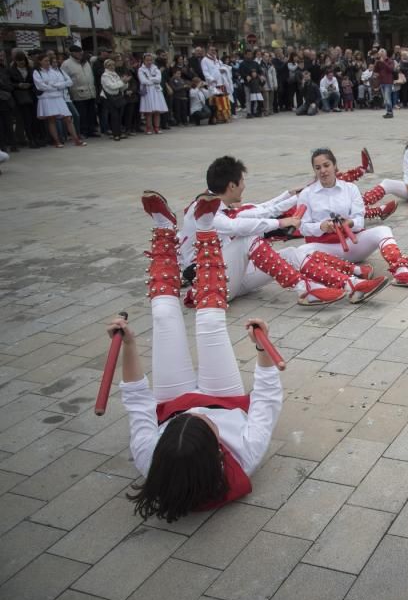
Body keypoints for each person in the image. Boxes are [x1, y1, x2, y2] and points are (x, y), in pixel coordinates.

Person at [117, 192, 285, 522]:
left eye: (185, 422)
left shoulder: (148, 458)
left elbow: (137, 401)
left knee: (165, 317)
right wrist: (262, 349)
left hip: (171, 401)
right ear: (217, 453)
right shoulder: (245, 455)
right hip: (224, 399)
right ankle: (206, 230)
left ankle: (164, 231)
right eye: (204, 425)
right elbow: (267, 398)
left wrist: (129, 346)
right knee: (209, 321)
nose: (195, 412)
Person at [177, 157, 385, 305]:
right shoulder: (203, 208)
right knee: (247, 238)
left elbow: (261, 210)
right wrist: (282, 223)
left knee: (291, 254)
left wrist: (293, 195)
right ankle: (305, 289)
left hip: (231, 278)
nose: (244, 186)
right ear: (232, 185)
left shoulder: (220, 204)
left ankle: (352, 284)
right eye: (242, 182)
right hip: (210, 288)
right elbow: (236, 227)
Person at [296, 148, 408, 287]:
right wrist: (321, 226)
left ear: (334, 165)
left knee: (383, 230)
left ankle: (401, 271)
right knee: (300, 252)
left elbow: (359, 219)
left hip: (353, 245)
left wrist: (350, 223)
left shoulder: (350, 188)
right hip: (326, 249)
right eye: (318, 167)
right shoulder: (307, 194)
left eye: (326, 165)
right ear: (314, 170)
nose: (322, 170)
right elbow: (303, 227)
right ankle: (356, 271)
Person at [33, 54, 84, 148]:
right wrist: (55, 86)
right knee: (52, 120)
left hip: (58, 97)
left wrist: (54, 85)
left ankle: (76, 139)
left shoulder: (54, 71)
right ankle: (57, 141)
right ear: (40, 61)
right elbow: (40, 86)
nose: (48, 63)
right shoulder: (37, 72)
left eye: (48, 61)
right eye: (45, 61)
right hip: (47, 98)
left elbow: (65, 82)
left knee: (68, 118)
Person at [61, 44, 98, 138]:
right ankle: (83, 131)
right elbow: (64, 79)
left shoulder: (86, 62)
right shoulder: (66, 64)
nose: (80, 54)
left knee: (91, 113)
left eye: (81, 52)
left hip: (90, 91)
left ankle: (91, 130)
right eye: (77, 52)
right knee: (82, 114)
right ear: (72, 53)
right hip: (77, 93)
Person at [139, 53, 169, 134]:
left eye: (150, 60)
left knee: (157, 111)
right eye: (147, 60)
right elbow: (143, 81)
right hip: (148, 92)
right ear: (144, 60)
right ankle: (149, 128)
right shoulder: (141, 69)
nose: (149, 62)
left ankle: (157, 127)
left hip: (156, 91)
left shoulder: (156, 69)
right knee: (149, 111)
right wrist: (153, 79)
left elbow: (159, 79)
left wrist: (149, 78)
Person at [100, 59, 127, 141]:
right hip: (109, 98)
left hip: (117, 97)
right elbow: (112, 87)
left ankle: (119, 132)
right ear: (105, 66)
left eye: (113, 65)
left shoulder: (115, 74)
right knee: (114, 116)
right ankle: (116, 134)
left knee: (119, 116)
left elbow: (121, 88)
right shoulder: (105, 76)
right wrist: (122, 82)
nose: (112, 67)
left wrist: (125, 83)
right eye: (109, 65)